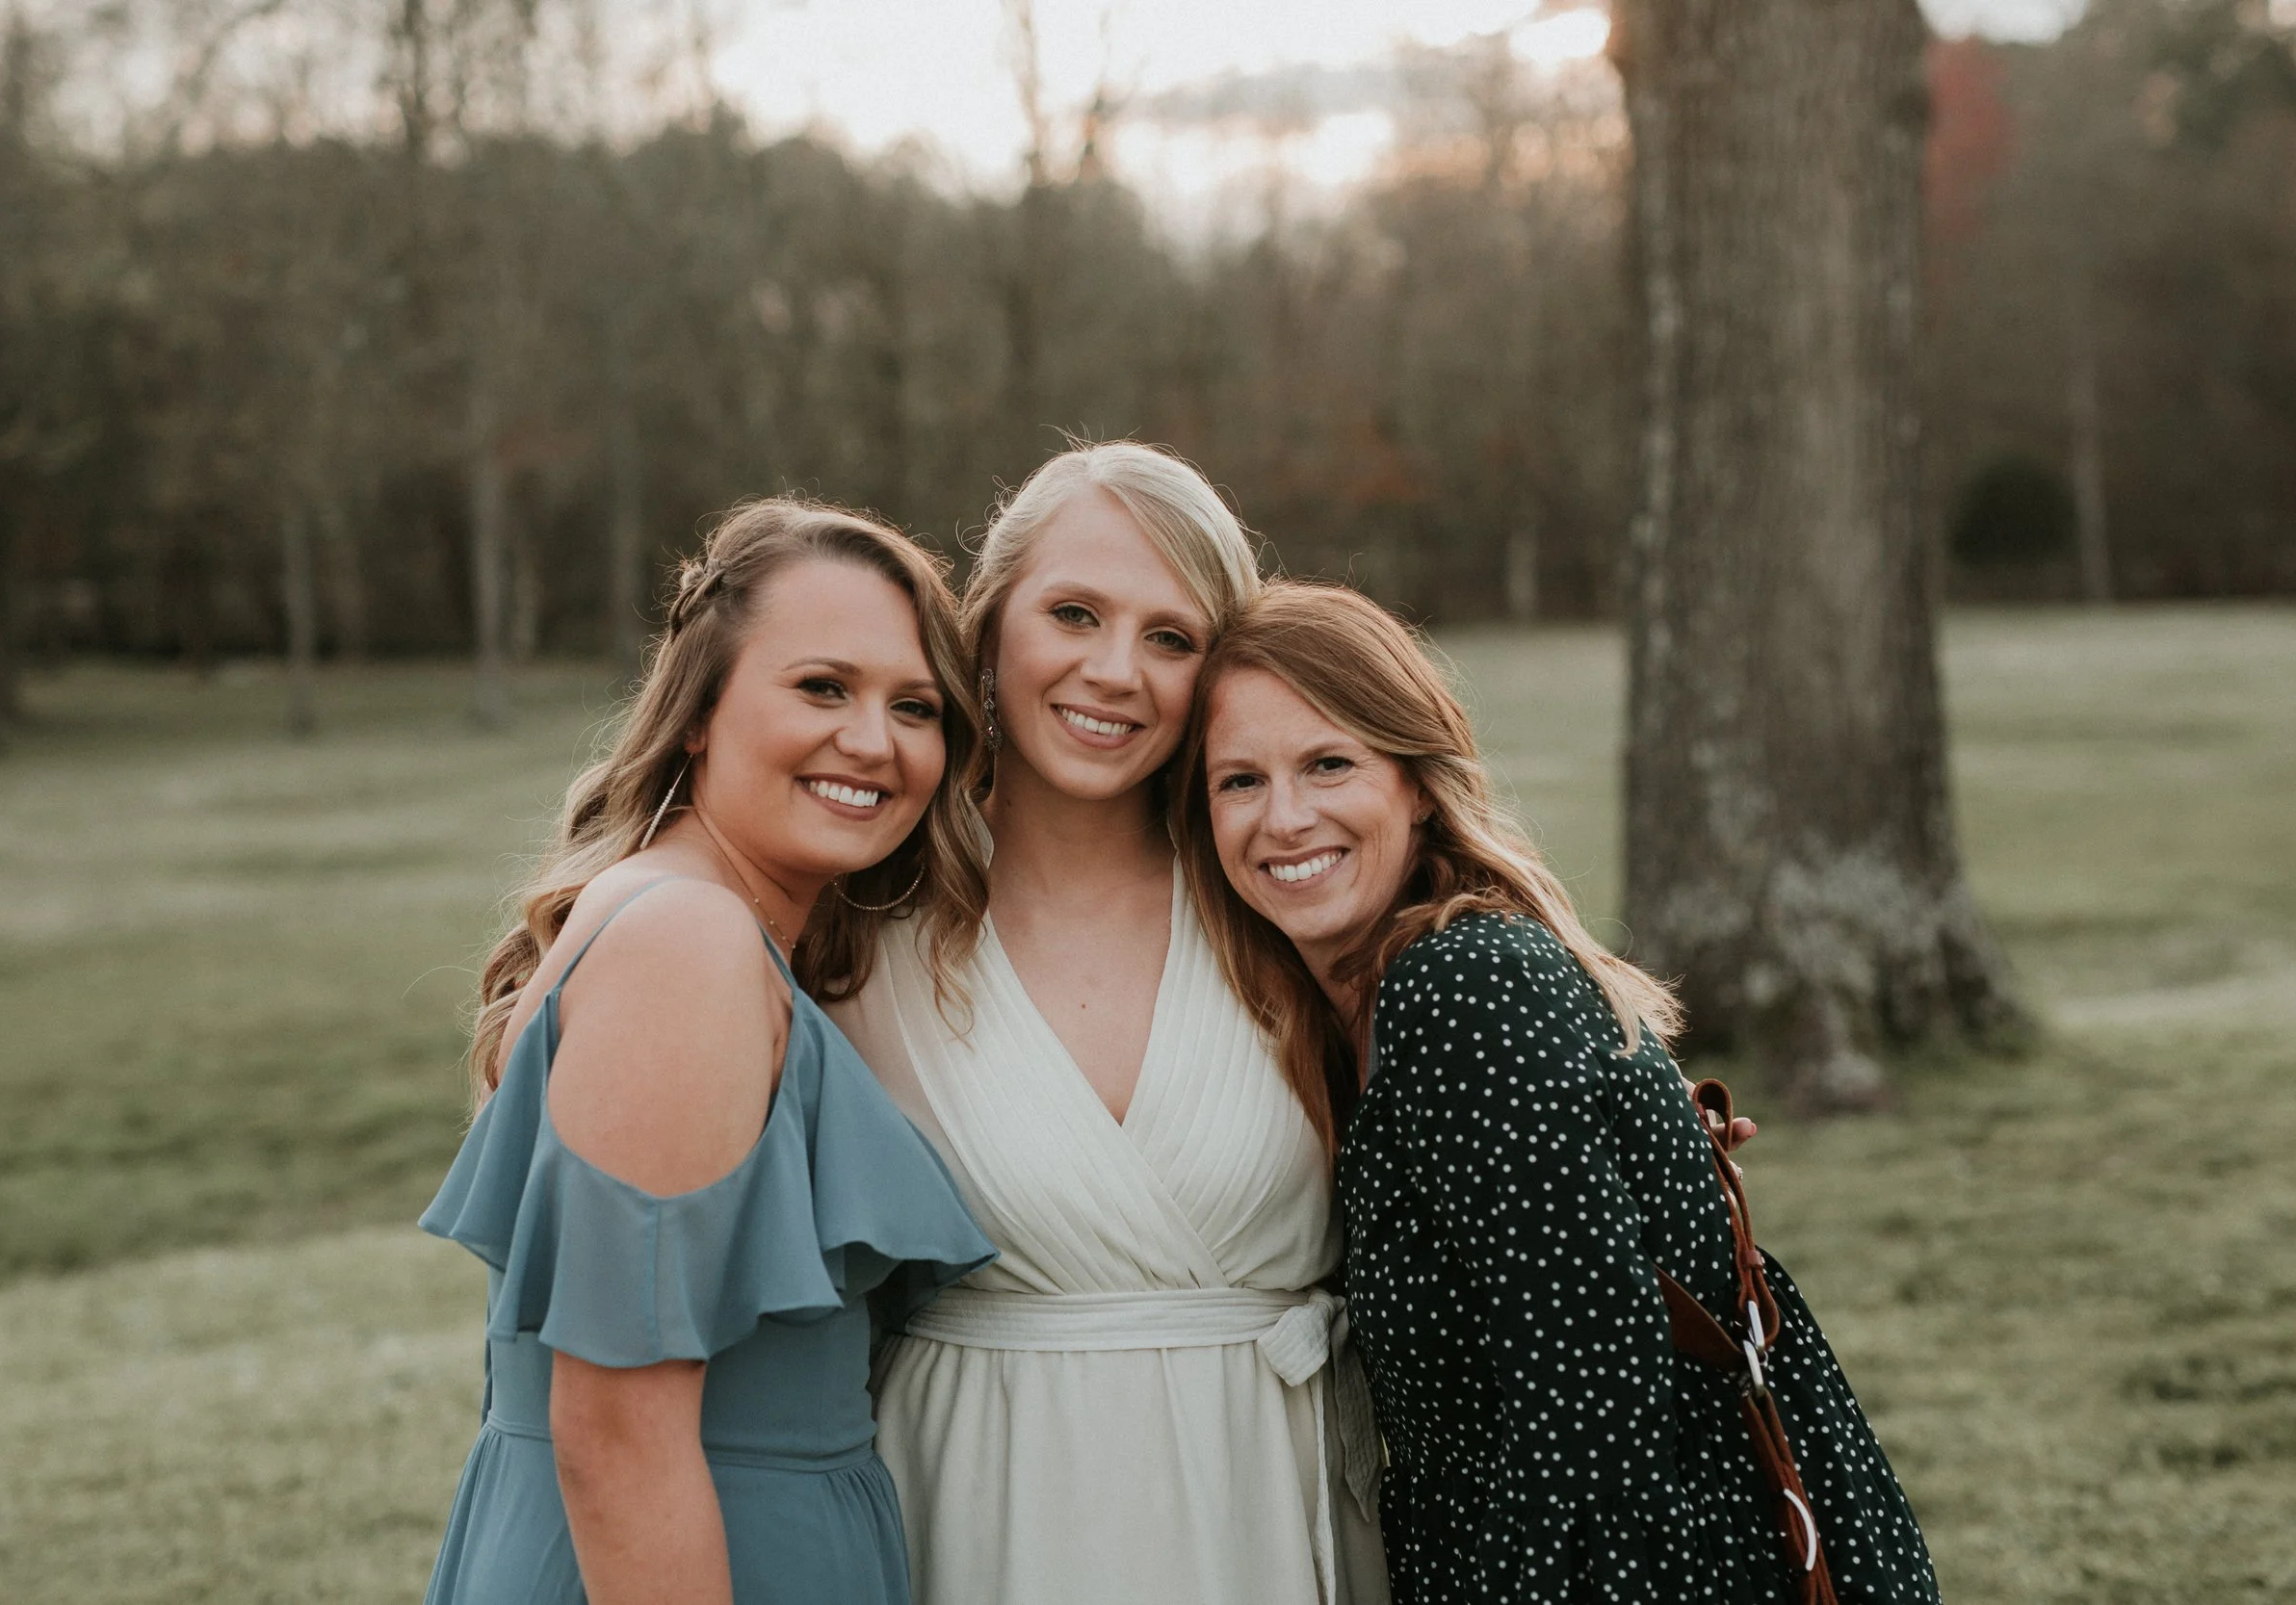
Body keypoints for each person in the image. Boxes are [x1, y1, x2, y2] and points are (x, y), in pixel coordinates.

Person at [1175, 580, 1940, 1605]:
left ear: (1417, 780)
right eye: (1239, 780)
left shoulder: (1462, 989)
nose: (1286, 816)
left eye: (1328, 762)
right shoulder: (1359, 1009)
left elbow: (1594, 1406)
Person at [826, 443, 1388, 1605]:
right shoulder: (859, 912)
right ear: (988, 628)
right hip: (978, 1508)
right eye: (1073, 612)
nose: (1114, 671)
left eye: (1171, 637)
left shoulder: (1285, 888)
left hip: (1271, 1505)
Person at [419, 499, 997, 1605]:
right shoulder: (684, 940)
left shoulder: (702, 923)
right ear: (699, 711)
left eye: (915, 706)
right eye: (822, 686)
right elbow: (616, 1434)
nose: (873, 740)